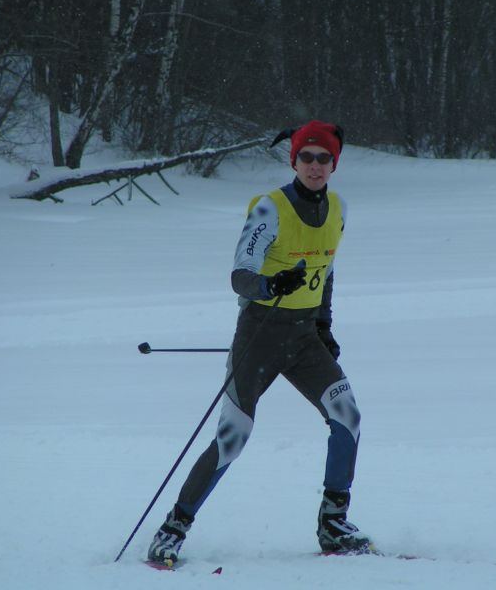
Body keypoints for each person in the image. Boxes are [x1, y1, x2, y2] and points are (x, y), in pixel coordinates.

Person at [147, 120, 371, 566]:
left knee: (348, 417)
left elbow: (325, 273)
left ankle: (333, 523)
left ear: (334, 164)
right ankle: (172, 529)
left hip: (305, 338)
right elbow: (240, 277)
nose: (314, 165)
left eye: (323, 158)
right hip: (260, 336)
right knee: (234, 437)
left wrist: (324, 326)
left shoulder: (339, 210)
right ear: (294, 160)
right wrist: (271, 284)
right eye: (305, 157)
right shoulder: (270, 208)